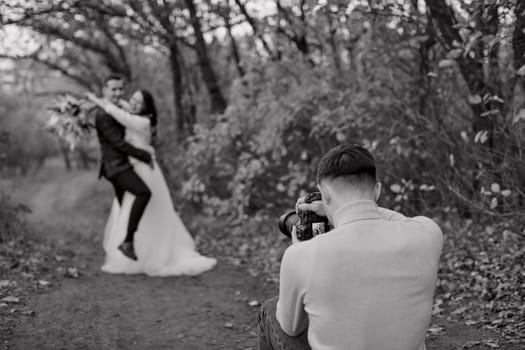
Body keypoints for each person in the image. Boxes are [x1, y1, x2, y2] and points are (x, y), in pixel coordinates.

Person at [257, 144, 443, 350]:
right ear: (378, 190)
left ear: (324, 194)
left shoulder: (301, 255)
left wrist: (300, 253)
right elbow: (397, 219)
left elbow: (291, 328)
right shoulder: (428, 233)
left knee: (270, 308)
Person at [87, 88, 217, 276]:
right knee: (134, 207)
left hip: (145, 170)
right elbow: (120, 105)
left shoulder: (142, 121)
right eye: (133, 99)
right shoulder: (131, 111)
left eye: (140, 102)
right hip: (132, 168)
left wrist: (97, 100)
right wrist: (90, 104)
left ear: (147, 107)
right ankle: (129, 249)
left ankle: (152, 252)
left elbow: (117, 112)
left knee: (152, 208)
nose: (134, 104)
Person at [93, 75, 153, 261]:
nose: (118, 93)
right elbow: (119, 144)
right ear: (105, 91)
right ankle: (127, 242)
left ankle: (126, 250)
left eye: (120, 89)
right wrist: (145, 155)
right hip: (116, 167)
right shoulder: (104, 115)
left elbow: (129, 114)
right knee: (143, 193)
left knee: (126, 208)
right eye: (113, 89)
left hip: (122, 165)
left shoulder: (116, 108)